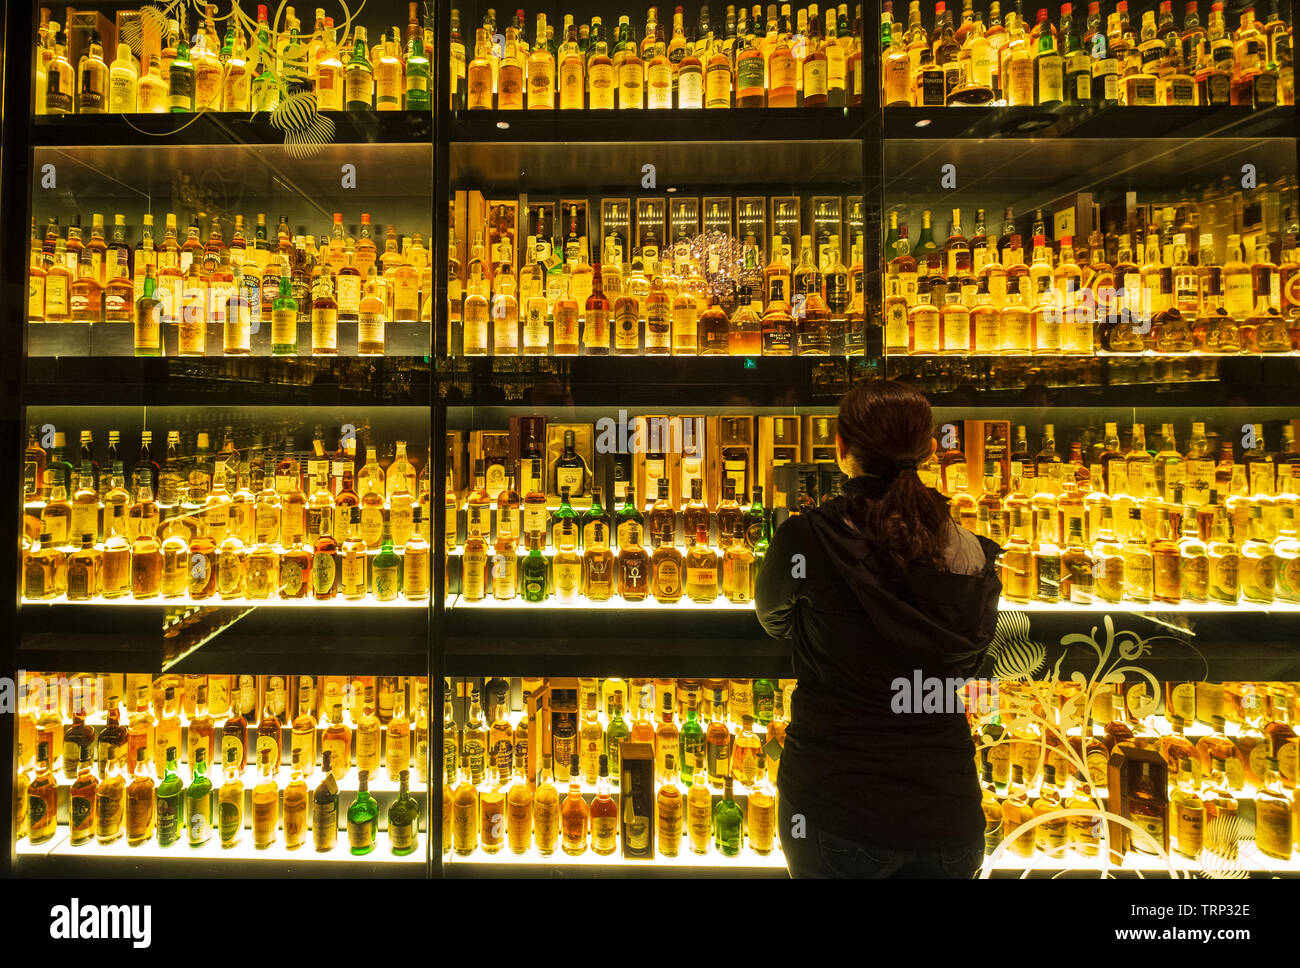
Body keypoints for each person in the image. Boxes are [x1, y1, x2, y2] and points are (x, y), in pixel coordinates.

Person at [756, 380, 1002, 878]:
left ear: (840, 448)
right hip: (948, 816)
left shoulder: (808, 538)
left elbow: (774, 618)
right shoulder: (971, 551)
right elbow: (972, 654)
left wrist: (829, 624)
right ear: (930, 450)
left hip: (837, 809)